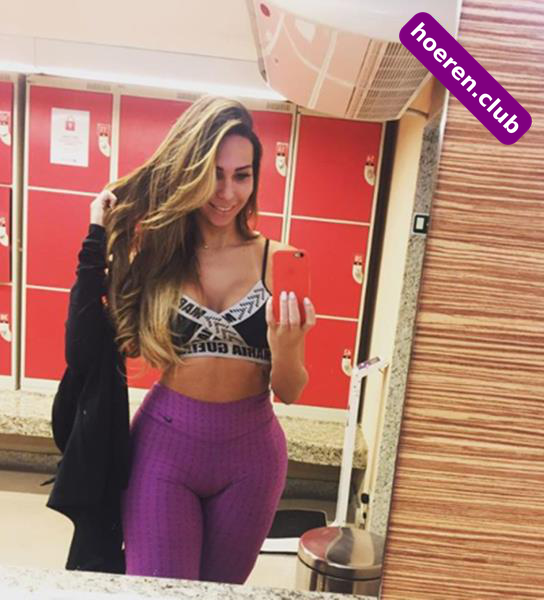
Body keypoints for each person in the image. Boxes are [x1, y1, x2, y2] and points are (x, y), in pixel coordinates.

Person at [67, 95, 315, 583]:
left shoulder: (278, 260)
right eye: (213, 175)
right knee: (158, 590)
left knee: (218, 595)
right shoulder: (158, 255)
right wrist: (97, 237)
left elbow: (290, 390)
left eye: (241, 175)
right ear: (190, 173)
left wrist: (286, 345)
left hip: (251, 462)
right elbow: (88, 347)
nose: (227, 192)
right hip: (164, 451)